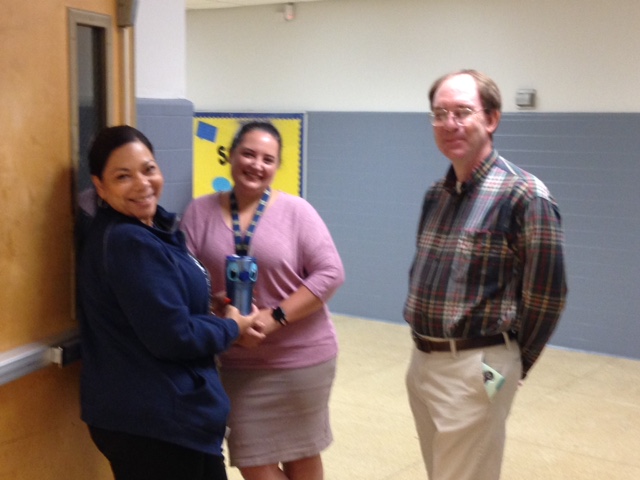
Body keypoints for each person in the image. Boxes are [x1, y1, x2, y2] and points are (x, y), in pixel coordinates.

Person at [404, 70, 567, 480]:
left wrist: (512, 362)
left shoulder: (524, 195)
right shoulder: (435, 195)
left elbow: (548, 294)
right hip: (423, 362)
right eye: (440, 114)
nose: (450, 123)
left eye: (462, 111)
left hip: (479, 368)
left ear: (491, 119)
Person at [77, 125, 262, 480]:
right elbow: (173, 335)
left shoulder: (154, 229)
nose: (142, 183)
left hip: (165, 417)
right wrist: (230, 326)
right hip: (156, 424)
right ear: (100, 186)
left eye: (148, 169)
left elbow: (159, 309)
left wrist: (210, 312)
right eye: (122, 176)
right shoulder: (128, 242)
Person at [181, 121, 345, 480]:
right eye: (249, 154)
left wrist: (276, 316)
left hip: (302, 357)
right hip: (238, 360)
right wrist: (223, 317)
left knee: (302, 455)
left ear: (277, 167)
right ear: (231, 155)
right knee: (253, 460)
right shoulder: (198, 212)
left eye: (268, 159)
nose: (257, 164)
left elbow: (330, 273)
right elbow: (186, 281)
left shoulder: (297, 211)